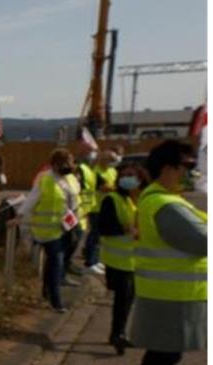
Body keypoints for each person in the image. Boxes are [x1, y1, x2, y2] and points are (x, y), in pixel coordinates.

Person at [127, 140, 206, 365]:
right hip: (169, 293)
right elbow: (202, 240)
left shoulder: (166, 199)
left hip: (173, 292)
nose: (191, 173)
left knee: (167, 353)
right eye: (186, 166)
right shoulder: (164, 203)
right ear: (167, 168)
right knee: (163, 353)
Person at [19, 148, 79, 313]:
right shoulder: (46, 180)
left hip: (67, 227)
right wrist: (19, 216)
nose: (68, 166)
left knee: (54, 263)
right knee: (56, 263)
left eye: (70, 162)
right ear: (54, 164)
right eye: (64, 163)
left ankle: (47, 291)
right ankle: (56, 300)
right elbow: (32, 198)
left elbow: (74, 200)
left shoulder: (72, 179)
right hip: (49, 230)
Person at [97, 162, 147, 354]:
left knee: (127, 300)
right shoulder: (112, 199)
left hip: (131, 260)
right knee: (122, 299)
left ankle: (118, 333)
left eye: (133, 176)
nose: (129, 179)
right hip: (117, 260)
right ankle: (118, 334)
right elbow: (104, 228)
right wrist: (126, 230)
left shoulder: (130, 200)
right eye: (125, 175)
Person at [74, 140, 104, 275]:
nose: (93, 154)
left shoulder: (89, 169)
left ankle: (92, 261)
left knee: (86, 236)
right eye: (91, 151)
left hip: (88, 208)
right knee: (79, 238)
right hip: (79, 209)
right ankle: (89, 262)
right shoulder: (80, 167)